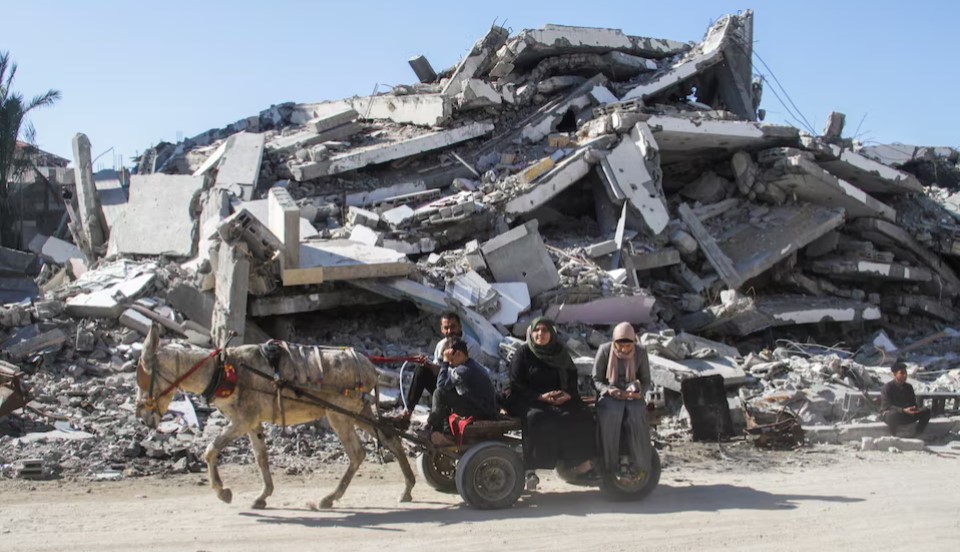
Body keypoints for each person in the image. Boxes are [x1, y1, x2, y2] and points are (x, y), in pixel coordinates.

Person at [506, 317, 595, 491]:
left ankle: (577, 463)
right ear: (531, 332)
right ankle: (530, 468)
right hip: (527, 398)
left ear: (552, 333)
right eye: (537, 330)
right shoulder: (523, 354)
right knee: (536, 417)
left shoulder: (560, 353)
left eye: (545, 330)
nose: (540, 334)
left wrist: (566, 395)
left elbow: (571, 379)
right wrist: (540, 397)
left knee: (581, 414)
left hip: (555, 398)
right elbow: (516, 384)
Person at [592, 322, 653, 477]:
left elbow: (646, 380)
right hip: (610, 396)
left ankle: (639, 463)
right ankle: (608, 463)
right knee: (610, 414)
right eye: (620, 345)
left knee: (636, 414)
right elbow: (596, 379)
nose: (624, 349)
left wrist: (639, 391)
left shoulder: (640, 352)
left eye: (628, 345)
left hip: (632, 397)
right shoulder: (605, 350)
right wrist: (608, 390)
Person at [401, 312, 481, 419]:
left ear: (460, 326)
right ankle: (408, 411)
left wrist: (441, 370)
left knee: (440, 392)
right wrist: (428, 365)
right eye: (446, 328)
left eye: (453, 327)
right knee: (421, 370)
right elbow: (437, 369)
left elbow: (471, 376)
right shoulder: (441, 345)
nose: (450, 331)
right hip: (446, 385)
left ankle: (436, 424)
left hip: (465, 393)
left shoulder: (472, 346)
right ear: (442, 329)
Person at [426, 338, 497, 446]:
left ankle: (435, 426)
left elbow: (440, 386)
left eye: (451, 359)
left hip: (481, 410)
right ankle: (444, 430)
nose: (450, 363)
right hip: (479, 405)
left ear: (458, 354)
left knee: (439, 393)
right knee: (445, 395)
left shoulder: (465, 370)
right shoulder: (468, 365)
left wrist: (445, 362)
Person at [881, 362, 931, 437]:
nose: (905, 375)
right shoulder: (887, 387)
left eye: (906, 373)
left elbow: (912, 403)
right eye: (902, 373)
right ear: (895, 374)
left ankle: (917, 434)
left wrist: (914, 409)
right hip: (893, 415)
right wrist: (902, 410)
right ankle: (893, 436)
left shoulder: (909, 387)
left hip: (906, 414)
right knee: (892, 415)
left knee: (926, 411)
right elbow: (886, 406)